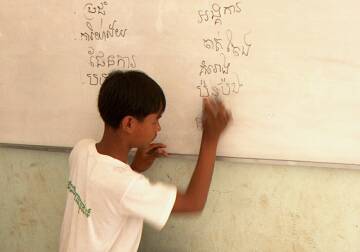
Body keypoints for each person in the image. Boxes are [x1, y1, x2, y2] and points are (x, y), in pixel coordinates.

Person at [59, 70, 231, 252]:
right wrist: (210, 139)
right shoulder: (127, 186)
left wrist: (134, 168)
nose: (158, 127)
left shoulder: (81, 150)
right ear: (129, 124)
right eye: (155, 120)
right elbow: (193, 203)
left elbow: (107, 196)